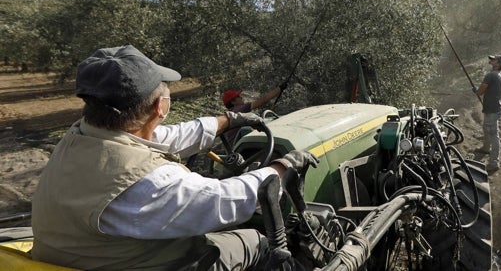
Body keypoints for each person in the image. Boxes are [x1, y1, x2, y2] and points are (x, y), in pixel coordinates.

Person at [31, 45, 318, 271]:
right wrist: (284, 166)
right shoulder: (147, 184)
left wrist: (229, 120)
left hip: (80, 254)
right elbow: (234, 198)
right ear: (160, 106)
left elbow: (167, 137)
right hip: (134, 263)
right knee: (255, 240)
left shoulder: (82, 136)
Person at [221, 81, 287, 146]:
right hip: (242, 146)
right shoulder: (240, 109)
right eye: (238, 97)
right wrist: (280, 88)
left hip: (235, 148)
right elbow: (263, 100)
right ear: (233, 102)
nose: (241, 97)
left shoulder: (229, 114)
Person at [472, 54, 501, 172]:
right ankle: (486, 148)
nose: (491, 60)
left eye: (494, 59)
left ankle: (494, 162)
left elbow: (481, 91)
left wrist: (476, 91)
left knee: (493, 134)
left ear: (499, 64)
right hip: (496, 108)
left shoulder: (491, 75)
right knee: (487, 128)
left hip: (492, 109)